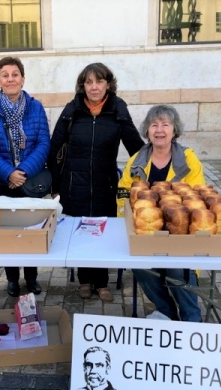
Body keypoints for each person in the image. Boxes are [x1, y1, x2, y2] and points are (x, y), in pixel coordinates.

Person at [48, 62, 144, 302]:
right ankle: (84, 280)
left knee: (102, 234)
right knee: (81, 232)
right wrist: (55, 186)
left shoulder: (117, 109)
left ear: (108, 84)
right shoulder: (72, 110)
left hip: (105, 184)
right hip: (74, 184)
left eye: (99, 81)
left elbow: (136, 148)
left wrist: (149, 173)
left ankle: (102, 283)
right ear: (83, 86)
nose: (94, 87)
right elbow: (54, 147)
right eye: (89, 82)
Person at [118, 104, 206, 322]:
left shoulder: (188, 159)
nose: (159, 130)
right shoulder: (137, 159)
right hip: (147, 232)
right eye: (154, 125)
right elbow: (123, 190)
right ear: (147, 131)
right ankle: (166, 311)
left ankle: (191, 318)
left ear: (174, 130)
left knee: (177, 270)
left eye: (165, 125)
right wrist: (126, 216)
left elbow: (196, 198)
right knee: (142, 267)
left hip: (182, 234)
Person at [0, 56, 50, 297]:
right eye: (5, 75)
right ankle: (11, 278)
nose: (10, 79)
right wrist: (8, 172)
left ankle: (31, 277)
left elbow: (43, 142)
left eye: (15, 74)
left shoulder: (36, 107)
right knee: (7, 232)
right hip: (3, 182)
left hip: (31, 182)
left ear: (22, 78)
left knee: (31, 230)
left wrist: (24, 172)